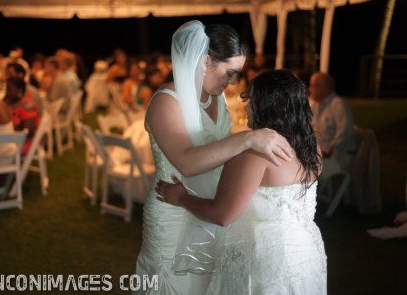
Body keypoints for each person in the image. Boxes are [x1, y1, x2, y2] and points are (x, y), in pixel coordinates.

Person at [134, 21, 293, 295]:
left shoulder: (216, 98)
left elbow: (220, 152)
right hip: (175, 211)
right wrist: (246, 139)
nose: (232, 81)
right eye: (229, 73)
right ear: (206, 62)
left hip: (210, 206)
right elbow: (187, 161)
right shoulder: (165, 102)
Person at [157, 69, 327, 294]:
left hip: (263, 260)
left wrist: (181, 198)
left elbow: (222, 214)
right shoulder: (311, 146)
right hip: (306, 254)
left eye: (252, 101)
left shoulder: (253, 155)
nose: (247, 108)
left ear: (268, 106)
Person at [309, 72, 355, 162]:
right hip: (319, 156)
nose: (310, 89)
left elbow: (344, 132)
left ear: (324, 87)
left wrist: (328, 151)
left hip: (338, 155)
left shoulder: (338, 104)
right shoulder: (314, 105)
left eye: (313, 85)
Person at [5, 76, 40, 155]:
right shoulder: (10, 101)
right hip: (12, 138)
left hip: (24, 142)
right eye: (6, 89)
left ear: (19, 90)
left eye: (10, 90)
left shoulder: (28, 105)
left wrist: (11, 131)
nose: (7, 92)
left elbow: (29, 132)